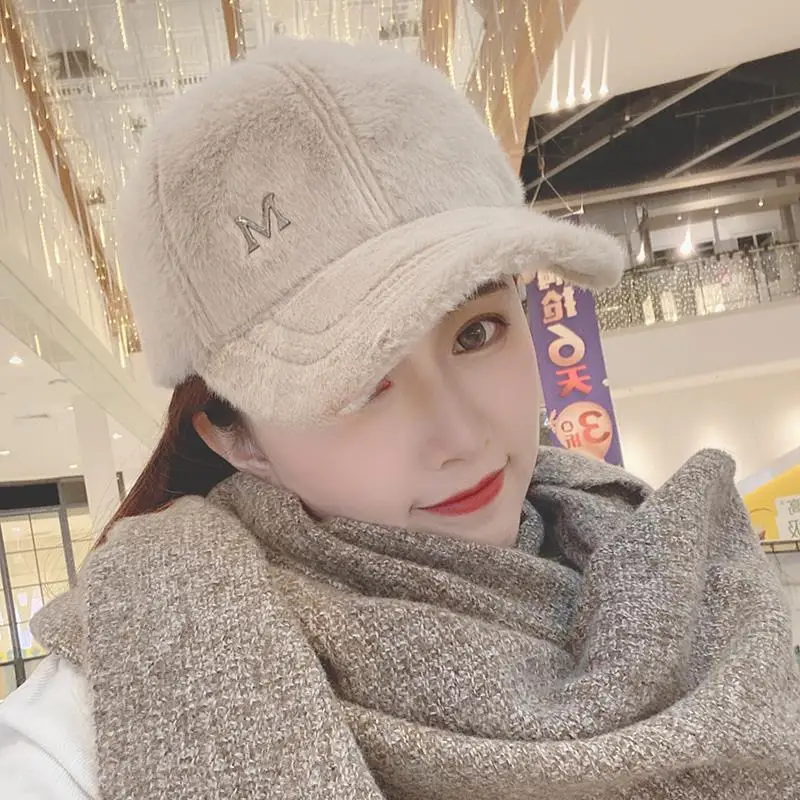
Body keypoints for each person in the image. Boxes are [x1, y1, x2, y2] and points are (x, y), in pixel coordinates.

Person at [1, 38, 798, 800]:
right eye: (355, 384)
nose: (461, 436)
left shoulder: (677, 562)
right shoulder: (99, 726)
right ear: (236, 437)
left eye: (477, 332)